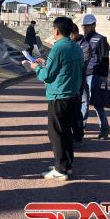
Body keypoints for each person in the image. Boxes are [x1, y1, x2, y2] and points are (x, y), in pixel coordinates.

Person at [30, 17, 83, 181]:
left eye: (53, 29)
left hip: (59, 95)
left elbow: (47, 76)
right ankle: (66, 164)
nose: (52, 31)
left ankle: (60, 169)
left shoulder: (58, 48)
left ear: (57, 30)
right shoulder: (76, 47)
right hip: (72, 94)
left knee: (56, 133)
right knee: (66, 132)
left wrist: (36, 67)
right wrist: (45, 63)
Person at [82, 14, 110, 140]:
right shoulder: (82, 39)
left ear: (94, 25)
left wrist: (104, 75)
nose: (85, 28)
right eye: (84, 26)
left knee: (97, 103)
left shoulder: (101, 39)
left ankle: (104, 129)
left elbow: (105, 58)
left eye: (87, 26)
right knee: (83, 102)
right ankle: (80, 129)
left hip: (95, 74)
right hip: (83, 73)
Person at [70, 23, 90, 147]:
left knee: (77, 109)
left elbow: (83, 63)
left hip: (78, 81)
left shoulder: (85, 45)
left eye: (70, 35)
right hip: (69, 81)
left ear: (76, 33)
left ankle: (78, 136)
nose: (69, 37)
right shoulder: (68, 44)